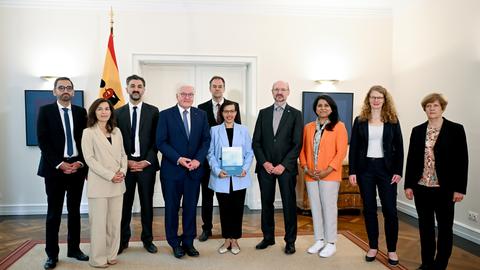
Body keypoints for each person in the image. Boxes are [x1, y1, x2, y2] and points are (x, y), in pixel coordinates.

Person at [404, 93, 468, 270]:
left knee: (445, 228)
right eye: (428, 106)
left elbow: (462, 161)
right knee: (425, 229)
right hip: (422, 187)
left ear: (442, 108)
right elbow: (411, 159)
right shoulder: (417, 131)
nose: (431, 109)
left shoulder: (456, 129)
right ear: (424, 109)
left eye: (435, 106)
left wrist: (459, 189)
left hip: (445, 189)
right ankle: (426, 263)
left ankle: (440, 265)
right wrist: (408, 185)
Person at [37, 77, 89, 269]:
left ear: (73, 92)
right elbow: (43, 141)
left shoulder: (81, 112)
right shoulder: (45, 111)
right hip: (54, 170)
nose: (65, 90)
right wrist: (60, 163)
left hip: (76, 168)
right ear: (54, 91)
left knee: (75, 212)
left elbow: (85, 140)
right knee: (54, 214)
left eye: (68, 88)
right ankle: (52, 255)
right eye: (61, 88)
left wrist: (80, 162)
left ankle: (74, 249)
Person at [348, 85, 404, 266]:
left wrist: (398, 171)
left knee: (390, 210)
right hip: (365, 170)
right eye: (373, 97)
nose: (376, 100)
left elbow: (400, 148)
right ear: (368, 99)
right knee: (370, 209)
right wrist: (353, 171)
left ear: (385, 100)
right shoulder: (360, 120)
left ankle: (392, 250)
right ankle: (373, 246)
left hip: (386, 170)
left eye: (380, 97)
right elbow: (354, 148)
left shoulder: (393, 120)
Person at [156, 84, 211, 258]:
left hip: (194, 171)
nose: (187, 97)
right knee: (172, 209)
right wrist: (179, 159)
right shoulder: (165, 115)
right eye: (184, 94)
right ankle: (174, 243)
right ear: (177, 96)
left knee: (190, 208)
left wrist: (198, 160)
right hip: (172, 171)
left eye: (190, 94)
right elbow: (161, 142)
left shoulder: (201, 115)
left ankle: (188, 242)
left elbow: (206, 141)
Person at [252, 80, 303, 254]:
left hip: (286, 169)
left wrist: (283, 165)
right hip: (265, 167)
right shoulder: (263, 113)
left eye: (283, 89)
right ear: (272, 92)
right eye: (276, 89)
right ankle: (268, 237)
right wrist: (264, 162)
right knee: (267, 203)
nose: (279, 92)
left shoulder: (296, 114)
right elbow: (256, 142)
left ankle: (290, 241)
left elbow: (297, 144)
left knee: (289, 204)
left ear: (288, 92)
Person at [299, 95, 348, 258]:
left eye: (326, 105)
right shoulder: (308, 127)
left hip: (330, 175)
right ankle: (319, 239)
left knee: (329, 207)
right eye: (319, 105)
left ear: (332, 108)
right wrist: (305, 167)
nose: (323, 108)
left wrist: (328, 169)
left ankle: (331, 242)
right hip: (311, 175)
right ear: (315, 108)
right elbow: (302, 150)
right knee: (315, 207)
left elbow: (341, 152)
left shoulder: (339, 127)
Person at [116, 75, 160, 254]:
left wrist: (146, 160)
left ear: (144, 89)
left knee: (147, 204)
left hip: (146, 166)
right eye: (132, 86)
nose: (136, 89)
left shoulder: (154, 111)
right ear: (127, 89)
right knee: (124, 205)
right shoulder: (117, 113)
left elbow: (158, 139)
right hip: (124, 166)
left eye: (139, 86)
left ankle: (147, 240)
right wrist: (126, 161)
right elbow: (114, 141)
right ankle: (122, 240)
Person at [81, 98, 128, 268]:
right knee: (99, 225)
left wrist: (122, 172)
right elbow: (89, 159)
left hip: (118, 183)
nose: (104, 112)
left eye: (107, 109)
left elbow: (123, 155)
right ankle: (98, 259)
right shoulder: (88, 133)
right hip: (99, 184)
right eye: (100, 109)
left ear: (111, 112)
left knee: (114, 223)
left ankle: (111, 254)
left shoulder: (117, 131)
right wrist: (110, 175)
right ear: (94, 112)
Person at [197, 75, 241, 242]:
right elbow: (201, 135)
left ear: (224, 88)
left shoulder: (233, 106)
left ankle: (228, 232)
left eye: (220, 86)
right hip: (208, 161)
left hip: (229, 163)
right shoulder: (201, 107)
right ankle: (206, 228)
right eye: (214, 86)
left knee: (228, 200)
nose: (217, 88)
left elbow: (236, 134)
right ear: (210, 88)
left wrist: (235, 165)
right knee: (207, 197)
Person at [207, 100, 253, 255]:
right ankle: (227, 238)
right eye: (226, 111)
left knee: (237, 209)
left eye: (232, 111)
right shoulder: (214, 130)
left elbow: (249, 152)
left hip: (239, 176)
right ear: (221, 113)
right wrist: (217, 170)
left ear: (236, 113)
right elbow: (210, 153)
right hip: (222, 176)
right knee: (225, 209)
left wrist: (245, 169)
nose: (229, 114)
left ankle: (235, 240)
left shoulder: (243, 130)